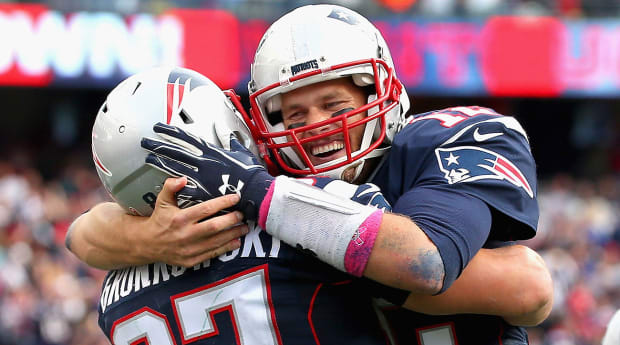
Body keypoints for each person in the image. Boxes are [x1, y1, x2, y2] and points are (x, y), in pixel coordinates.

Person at [67, 4, 552, 344]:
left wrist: (268, 202)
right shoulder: (265, 183)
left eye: (333, 103)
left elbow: (446, 267)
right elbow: (85, 231)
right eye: (293, 116)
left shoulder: (441, 140)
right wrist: (152, 238)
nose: (317, 126)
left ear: (376, 91)